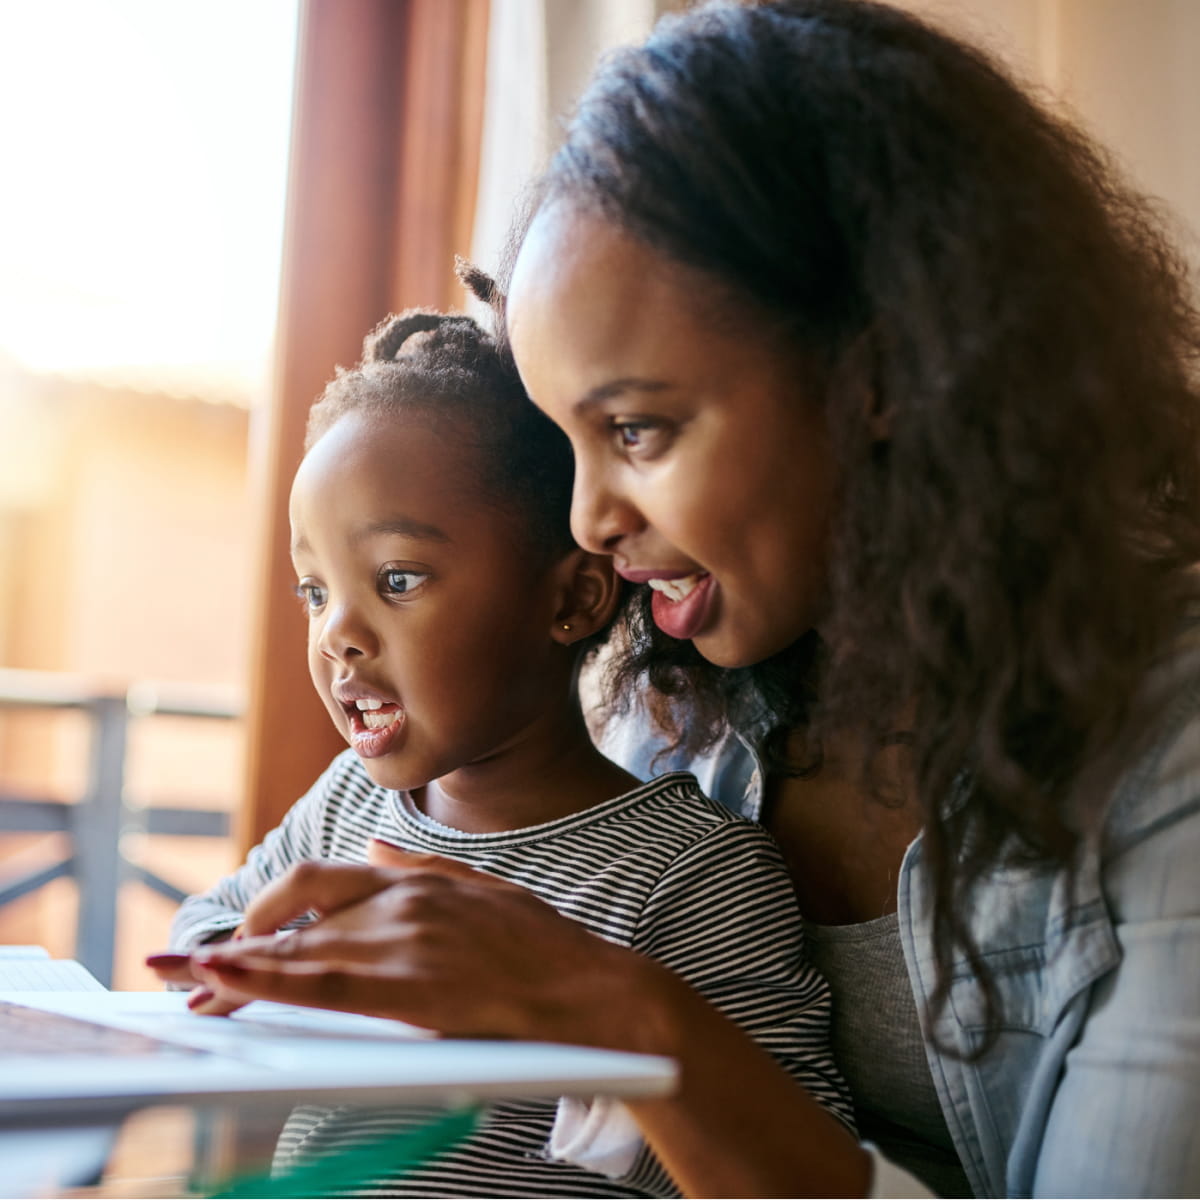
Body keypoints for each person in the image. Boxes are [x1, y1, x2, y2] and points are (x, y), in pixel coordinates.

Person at [181, 1, 1200, 1196]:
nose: (588, 525)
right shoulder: (672, 716)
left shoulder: (1165, 752)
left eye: (639, 430)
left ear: (881, 373)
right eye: (570, 446)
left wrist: (618, 1009)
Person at [150, 308, 852, 1197]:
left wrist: (564, 1056)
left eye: (396, 580)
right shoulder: (345, 807)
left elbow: (787, 1148)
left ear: (574, 598)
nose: (337, 635)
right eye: (314, 592)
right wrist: (274, 972)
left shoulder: (690, 871)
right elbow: (202, 932)